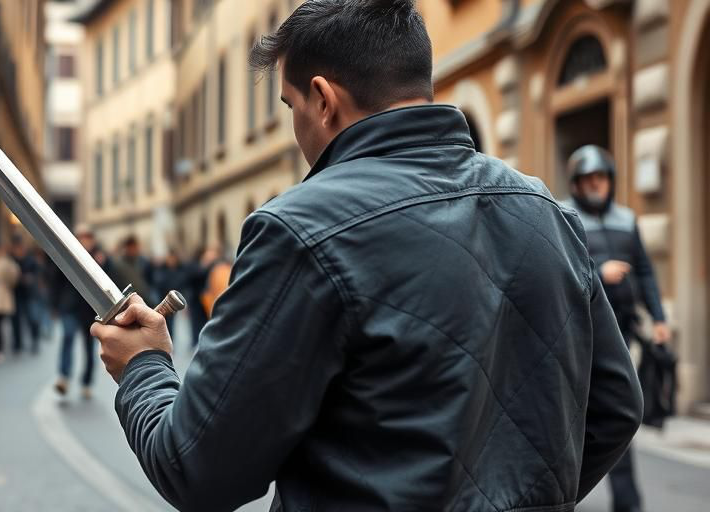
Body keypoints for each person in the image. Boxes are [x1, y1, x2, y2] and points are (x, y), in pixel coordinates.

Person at [90, 1, 643, 510]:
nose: (294, 127)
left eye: (291, 105)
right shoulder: (545, 210)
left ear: (324, 100)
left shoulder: (300, 229)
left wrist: (144, 367)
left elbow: (196, 469)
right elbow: (615, 408)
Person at [563, 145, 670, 512]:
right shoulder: (565, 216)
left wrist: (659, 319)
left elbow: (645, 272)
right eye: (589, 179)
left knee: (622, 408)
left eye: (602, 178)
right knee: (579, 414)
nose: (596, 185)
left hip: (621, 333)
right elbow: (560, 272)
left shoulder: (628, 220)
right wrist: (599, 273)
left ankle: (628, 502)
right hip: (580, 333)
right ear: (576, 183)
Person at [52, 226, 111, 400]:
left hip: (91, 310)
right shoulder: (67, 254)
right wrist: (55, 305)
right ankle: (64, 377)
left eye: (88, 237)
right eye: (81, 237)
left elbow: (109, 281)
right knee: (68, 337)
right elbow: (56, 280)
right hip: (69, 307)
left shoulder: (101, 257)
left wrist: (104, 263)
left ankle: (86, 382)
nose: (85, 241)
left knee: (88, 347)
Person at [9, 235, 41, 354]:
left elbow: (37, 273)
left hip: (30, 294)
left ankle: (35, 341)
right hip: (16, 294)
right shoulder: (11, 259)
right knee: (15, 320)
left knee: (32, 318)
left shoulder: (30, 259)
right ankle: (17, 344)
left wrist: (30, 278)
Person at [115, 235, 154, 304]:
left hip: (146, 295)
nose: (134, 250)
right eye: (131, 247)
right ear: (126, 248)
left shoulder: (143, 261)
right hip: (131, 299)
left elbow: (150, 277)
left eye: (135, 247)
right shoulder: (119, 265)